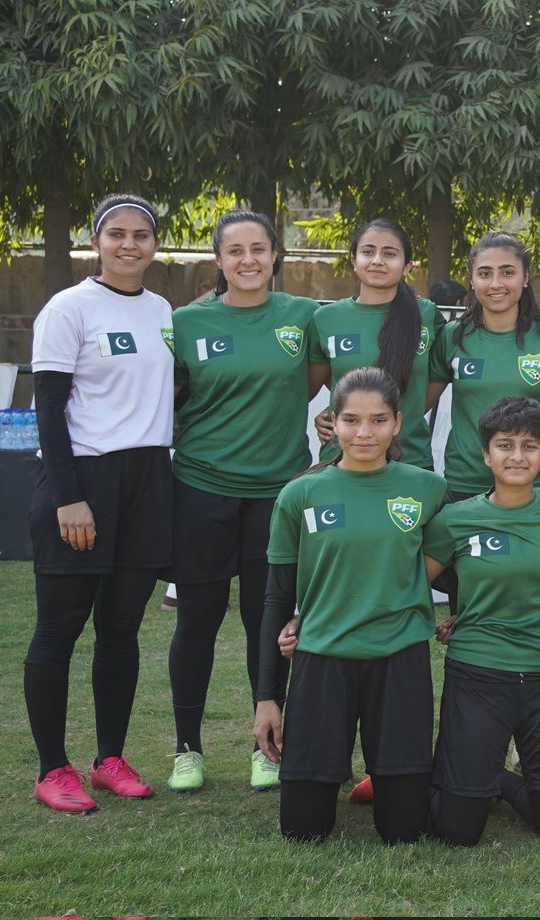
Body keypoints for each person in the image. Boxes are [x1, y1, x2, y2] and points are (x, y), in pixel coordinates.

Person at [254, 367, 449, 844]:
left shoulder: (426, 488)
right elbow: (278, 596)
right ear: (332, 422)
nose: (365, 432)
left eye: (379, 420)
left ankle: (393, 779)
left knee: (404, 831)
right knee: (303, 829)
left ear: (398, 423)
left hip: (398, 656)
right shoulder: (300, 494)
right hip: (323, 655)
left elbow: (448, 565)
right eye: (352, 420)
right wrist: (266, 698)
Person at [26, 194, 176, 813]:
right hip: (83, 481)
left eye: (141, 235)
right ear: (96, 240)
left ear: (154, 244)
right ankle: (52, 767)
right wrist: (70, 499)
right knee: (60, 628)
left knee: (121, 630)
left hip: (148, 480)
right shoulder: (68, 308)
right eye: (117, 234)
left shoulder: (163, 308)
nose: (129, 245)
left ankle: (108, 757)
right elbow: (49, 411)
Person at [166, 210, 318, 794]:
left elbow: (327, 380)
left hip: (276, 495)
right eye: (236, 251)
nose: (248, 260)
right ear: (219, 259)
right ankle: (187, 749)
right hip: (201, 488)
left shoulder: (304, 316)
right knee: (197, 623)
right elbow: (171, 397)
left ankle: (266, 744)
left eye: (259, 249)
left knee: (270, 621)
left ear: (276, 255)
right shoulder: (185, 322)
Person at [422, 397, 540, 846]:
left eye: (530, 446)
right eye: (505, 445)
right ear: (485, 454)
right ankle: (428, 781)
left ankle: (500, 781)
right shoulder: (456, 518)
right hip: (478, 674)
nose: (517, 456)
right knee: (459, 832)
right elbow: (411, 585)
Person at [434, 232, 540, 499]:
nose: (495, 283)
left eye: (507, 272)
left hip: (534, 486)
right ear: (471, 278)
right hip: (465, 485)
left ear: (525, 278)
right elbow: (414, 406)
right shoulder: (451, 337)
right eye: (484, 273)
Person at [308, 220, 447, 469]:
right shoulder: (326, 318)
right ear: (353, 259)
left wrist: (401, 416)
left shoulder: (427, 315)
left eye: (390, 254)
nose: (377, 260)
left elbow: (426, 389)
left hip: (409, 458)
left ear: (407, 266)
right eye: (368, 251)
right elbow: (311, 386)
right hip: (342, 457)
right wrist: (335, 414)